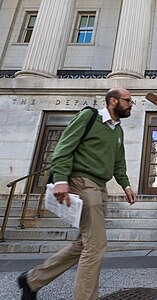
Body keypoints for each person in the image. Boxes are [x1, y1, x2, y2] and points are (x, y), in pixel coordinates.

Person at [18, 88, 137, 300]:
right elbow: (64, 146)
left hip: (100, 186)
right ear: (113, 101)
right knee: (95, 244)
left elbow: (119, 163)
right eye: (128, 101)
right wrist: (61, 179)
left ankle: (32, 280)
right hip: (82, 182)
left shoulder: (118, 130)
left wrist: (126, 185)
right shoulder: (89, 116)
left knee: (83, 243)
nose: (131, 105)